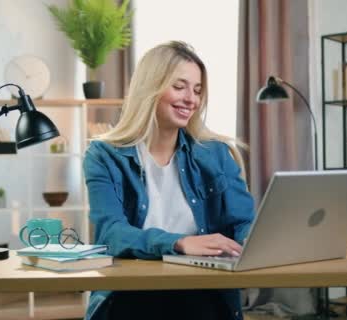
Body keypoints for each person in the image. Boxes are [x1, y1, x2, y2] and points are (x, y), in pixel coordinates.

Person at [83, 41, 255, 320]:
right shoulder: (104, 155)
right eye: (179, 86)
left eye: (197, 90)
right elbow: (111, 233)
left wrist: (251, 241)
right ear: (149, 88)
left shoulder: (216, 153)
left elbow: (243, 222)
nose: (191, 99)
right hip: (132, 292)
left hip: (201, 290)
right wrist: (179, 243)